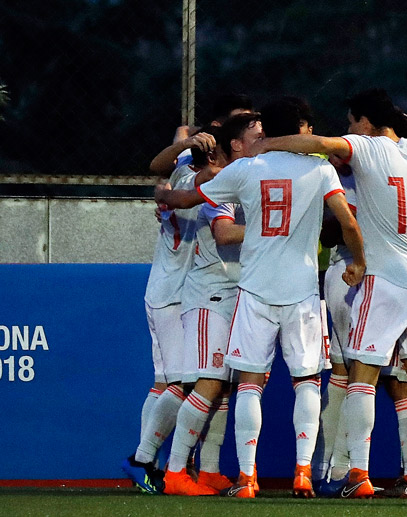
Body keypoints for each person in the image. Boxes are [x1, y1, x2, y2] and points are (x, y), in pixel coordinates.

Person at [254, 88, 407, 500]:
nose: (348, 128)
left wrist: (269, 142)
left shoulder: (367, 149)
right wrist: (405, 119)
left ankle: (356, 475)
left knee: (360, 377)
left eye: (351, 120)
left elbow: (321, 144)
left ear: (365, 122)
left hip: (386, 279)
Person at [155, 97, 365, 499]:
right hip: (301, 290)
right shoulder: (319, 168)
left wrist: (165, 194)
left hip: (254, 290)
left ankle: (247, 478)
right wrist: (361, 260)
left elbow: (188, 198)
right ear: (299, 128)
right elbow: (347, 220)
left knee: (249, 385)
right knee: (307, 381)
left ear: (266, 130)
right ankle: (303, 472)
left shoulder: (246, 170)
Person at [162, 112, 262, 496]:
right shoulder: (221, 180)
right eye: (258, 133)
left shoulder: (244, 177)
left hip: (237, 293)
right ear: (234, 145)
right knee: (207, 384)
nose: (265, 138)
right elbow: (223, 233)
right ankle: (173, 472)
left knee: (224, 388)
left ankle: (208, 471)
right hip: (211, 295)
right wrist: (276, 227)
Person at [122, 126, 214, 494]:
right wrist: (188, 143)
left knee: (165, 382)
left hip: (165, 287)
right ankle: (142, 459)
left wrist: (184, 140)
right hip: (175, 293)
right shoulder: (196, 183)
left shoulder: (180, 172)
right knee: (181, 383)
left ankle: (150, 464)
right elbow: (169, 171)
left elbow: (159, 164)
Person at [150, 93, 254, 177]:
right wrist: (182, 145)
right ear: (216, 126)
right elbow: (158, 168)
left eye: (248, 122)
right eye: (237, 123)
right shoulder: (197, 155)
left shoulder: (258, 150)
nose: (244, 128)